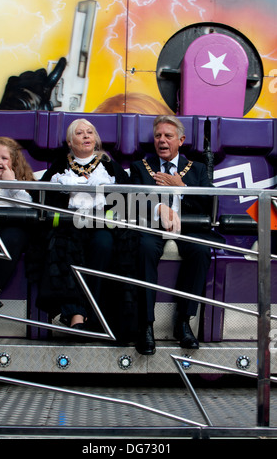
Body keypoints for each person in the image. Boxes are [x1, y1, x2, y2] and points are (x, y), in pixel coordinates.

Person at [33, 118, 136, 338]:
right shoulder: (60, 166)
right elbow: (42, 197)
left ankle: (94, 312)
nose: (86, 136)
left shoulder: (108, 164)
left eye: (90, 132)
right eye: (80, 133)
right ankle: (76, 315)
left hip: (102, 225)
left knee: (104, 245)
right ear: (70, 142)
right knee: (65, 247)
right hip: (69, 225)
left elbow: (127, 196)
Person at [130, 115, 214, 354]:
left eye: (168, 136)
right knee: (144, 248)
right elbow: (132, 201)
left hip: (188, 226)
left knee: (200, 250)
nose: (162, 141)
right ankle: (146, 325)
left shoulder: (196, 169)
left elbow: (209, 203)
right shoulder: (141, 167)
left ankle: (184, 322)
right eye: (158, 136)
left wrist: (182, 188)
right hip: (153, 227)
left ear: (181, 140)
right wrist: (159, 208)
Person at [0, 136, 35, 319]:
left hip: (13, 224)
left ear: (13, 162)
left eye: (4, 158)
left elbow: (27, 207)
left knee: (12, 239)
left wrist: (12, 184)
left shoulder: (21, 182)